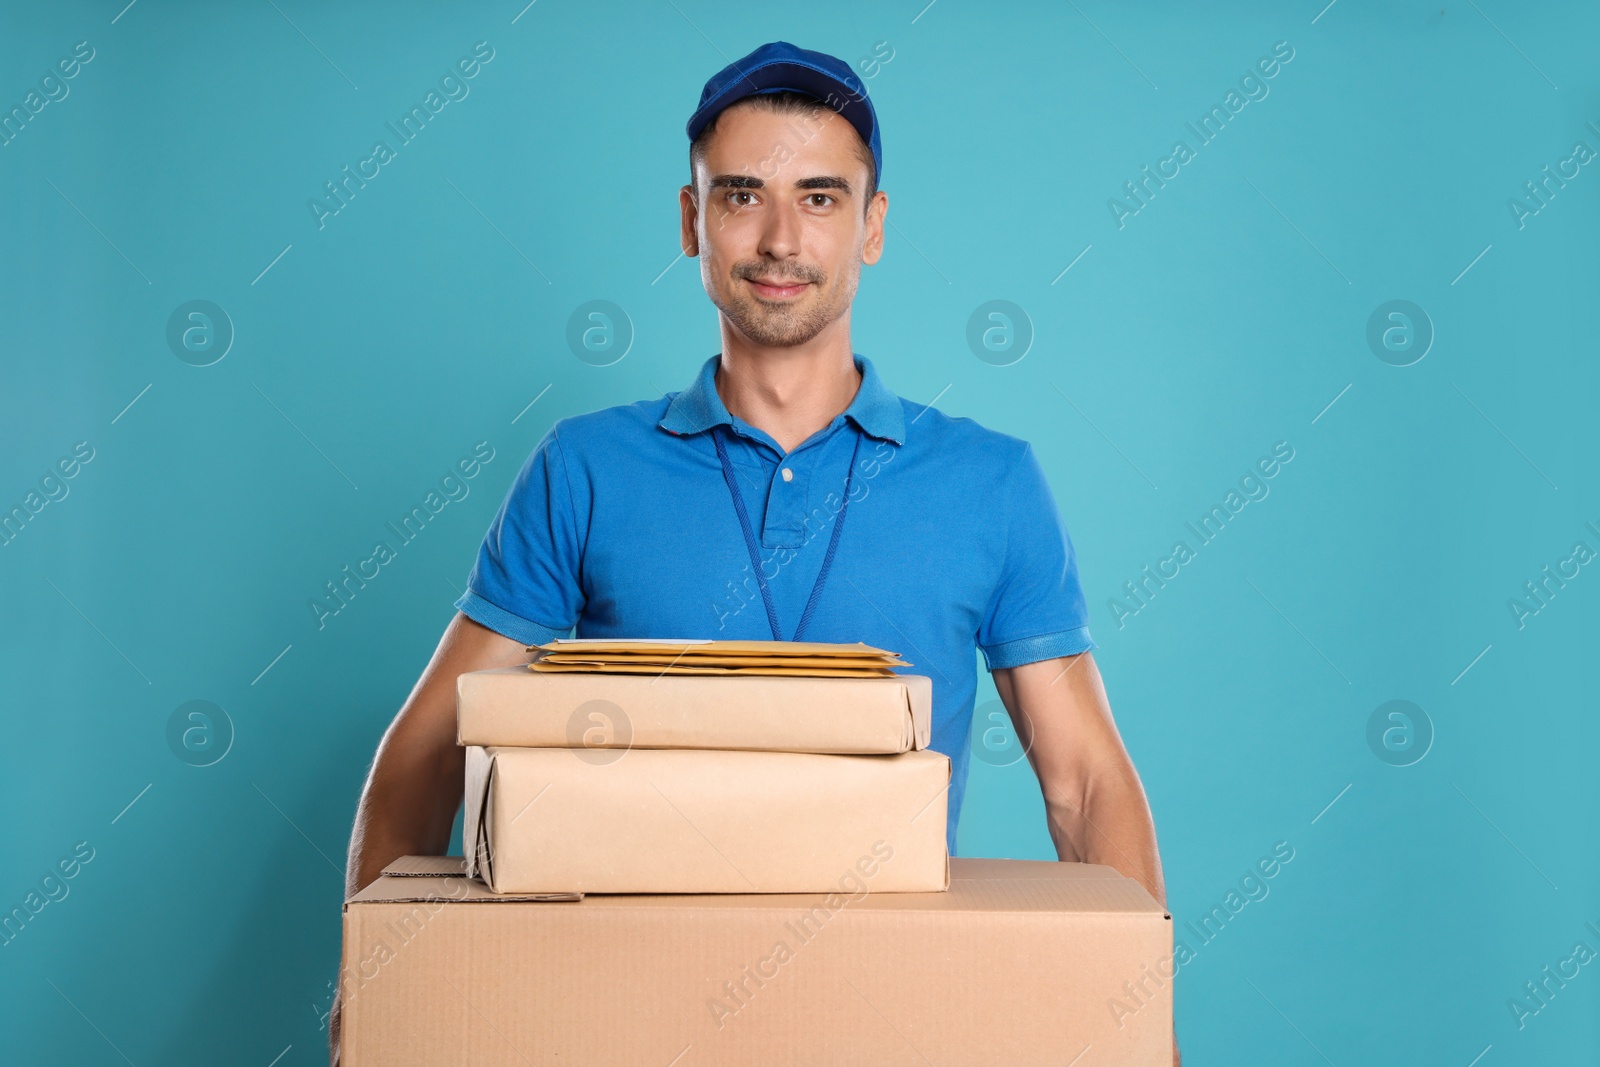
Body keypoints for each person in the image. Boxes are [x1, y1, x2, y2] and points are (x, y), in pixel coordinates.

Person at [332, 40, 1178, 1065]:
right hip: (619, 1027)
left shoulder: (989, 482)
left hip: (900, 1018)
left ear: (872, 225)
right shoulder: (586, 467)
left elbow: (1084, 781)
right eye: (742, 196)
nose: (780, 238)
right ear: (692, 221)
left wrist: (1142, 1025)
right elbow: (422, 756)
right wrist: (373, 999)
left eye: (820, 198)